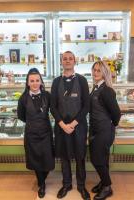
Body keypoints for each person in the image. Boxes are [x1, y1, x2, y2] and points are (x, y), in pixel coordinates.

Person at [50, 51, 90, 200]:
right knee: (64, 157)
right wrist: (62, 124)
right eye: (64, 59)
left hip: (78, 126)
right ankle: (66, 184)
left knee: (80, 156)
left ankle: (81, 185)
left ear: (75, 61)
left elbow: (86, 106)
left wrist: (72, 124)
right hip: (61, 127)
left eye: (70, 59)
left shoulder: (82, 81)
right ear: (61, 62)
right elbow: (52, 107)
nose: (67, 61)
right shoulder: (55, 82)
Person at [17, 68, 55, 198]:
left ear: (41, 82)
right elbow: (21, 116)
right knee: (36, 161)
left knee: (48, 160)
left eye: (37, 80)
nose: (35, 83)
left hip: (46, 133)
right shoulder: (23, 99)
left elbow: (54, 110)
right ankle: (42, 184)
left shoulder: (47, 95)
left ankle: (41, 179)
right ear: (27, 83)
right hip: (31, 134)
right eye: (32, 81)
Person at [89, 61, 121, 200]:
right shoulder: (95, 88)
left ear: (104, 73)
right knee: (102, 159)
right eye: (94, 70)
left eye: (99, 71)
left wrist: (110, 125)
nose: (96, 73)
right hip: (96, 129)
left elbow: (116, 114)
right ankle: (103, 182)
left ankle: (107, 187)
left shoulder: (107, 90)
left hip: (104, 130)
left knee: (97, 160)